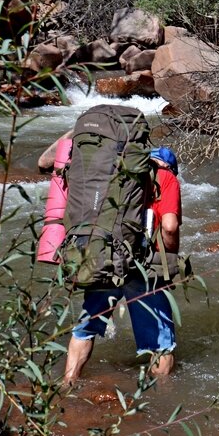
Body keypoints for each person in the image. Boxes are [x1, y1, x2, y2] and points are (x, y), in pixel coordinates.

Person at [62, 147, 183, 383]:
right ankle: (160, 407)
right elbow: (169, 225)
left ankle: (68, 384)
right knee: (161, 345)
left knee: (85, 329)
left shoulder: (113, 173)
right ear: (170, 167)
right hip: (143, 268)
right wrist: (170, 257)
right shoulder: (165, 177)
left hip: (104, 258)